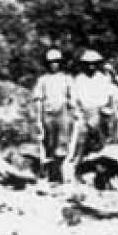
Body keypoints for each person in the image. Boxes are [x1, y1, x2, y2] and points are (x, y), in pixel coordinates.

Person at [65, 48, 118, 178]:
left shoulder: (103, 79)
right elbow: (73, 100)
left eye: (94, 63)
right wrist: (77, 111)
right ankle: (73, 163)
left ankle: (107, 162)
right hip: (85, 112)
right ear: (84, 64)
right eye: (88, 63)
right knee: (79, 132)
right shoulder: (79, 80)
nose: (91, 66)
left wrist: (113, 107)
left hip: (102, 112)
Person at [31, 48, 73, 182]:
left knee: (62, 143)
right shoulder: (43, 80)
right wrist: (38, 120)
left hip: (62, 114)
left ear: (60, 63)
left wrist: (74, 113)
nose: (54, 64)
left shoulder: (66, 78)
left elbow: (72, 98)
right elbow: (38, 100)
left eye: (56, 62)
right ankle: (48, 174)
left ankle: (60, 174)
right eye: (51, 62)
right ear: (47, 63)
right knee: (48, 144)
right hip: (47, 114)